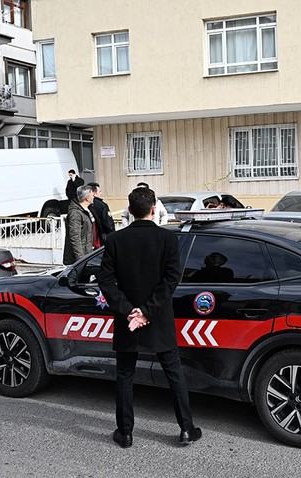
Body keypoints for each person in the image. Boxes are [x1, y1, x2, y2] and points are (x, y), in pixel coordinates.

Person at [97, 186, 201, 447]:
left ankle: (125, 433)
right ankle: (186, 429)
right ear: (154, 208)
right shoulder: (168, 239)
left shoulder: (115, 240)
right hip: (158, 318)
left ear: (130, 210)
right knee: (174, 373)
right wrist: (147, 310)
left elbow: (106, 282)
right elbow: (171, 280)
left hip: (127, 320)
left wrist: (129, 311)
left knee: (124, 376)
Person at [62, 185, 95, 265]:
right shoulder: (75, 213)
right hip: (77, 259)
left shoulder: (86, 210)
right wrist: (80, 260)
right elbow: (75, 237)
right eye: (92, 195)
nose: (94, 197)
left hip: (86, 254)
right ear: (87, 198)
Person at [87, 182, 115, 246]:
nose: (101, 193)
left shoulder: (84, 204)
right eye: (99, 191)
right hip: (100, 239)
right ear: (93, 193)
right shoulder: (102, 205)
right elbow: (108, 224)